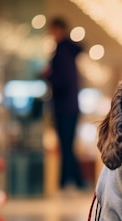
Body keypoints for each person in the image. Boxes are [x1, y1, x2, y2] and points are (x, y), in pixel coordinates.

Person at [42, 17, 85, 191]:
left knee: (66, 144)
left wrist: (48, 75)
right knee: (67, 144)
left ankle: (68, 182)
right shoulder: (66, 50)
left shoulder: (63, 51)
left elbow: (64, 80)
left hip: (65, 106)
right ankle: (73, 181)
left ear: (58, 29)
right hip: (70, 105)